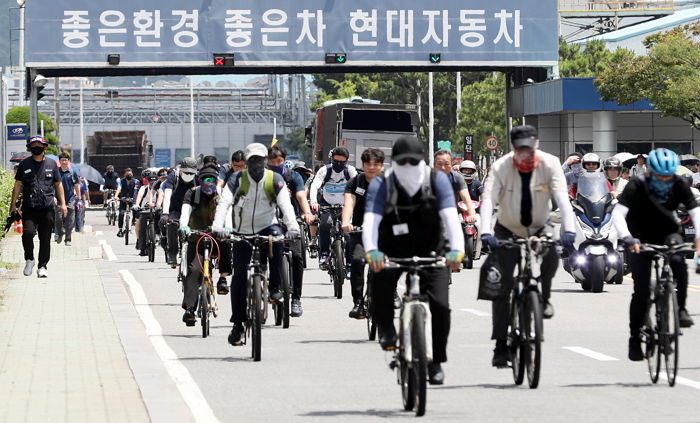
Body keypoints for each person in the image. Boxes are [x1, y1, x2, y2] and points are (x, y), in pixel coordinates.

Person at [363, 136, 465, 385]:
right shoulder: (382, 184)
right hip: (391, 248)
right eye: (402, 161)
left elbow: (451, 218)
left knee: (441, 306)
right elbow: (371, 222)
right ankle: (387, 329)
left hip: (432, 250)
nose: (408, 166)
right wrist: (372, 251)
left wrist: (457, 250)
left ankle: (437, 360)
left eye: (413, 161)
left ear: (423, 160)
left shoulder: (436, 180)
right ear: (394, 162)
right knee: (380, 283)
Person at [479, 125, 576, 368]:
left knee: (552, 255)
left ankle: (544, 298)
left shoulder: (550, 163)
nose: (525, 154)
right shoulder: (501, 166)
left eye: (529, 148)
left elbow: (563, 199)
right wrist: (486, 232)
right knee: (501, 288)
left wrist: (569, 230)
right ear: (513, 148)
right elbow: (488, 201)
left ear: (537, 145)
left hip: (539, 226)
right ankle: (500, 344)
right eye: (520, 149)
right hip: (506, 229)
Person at [612, 149, 698, 361]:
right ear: (650, 172)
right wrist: (628, 238)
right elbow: (618, 214)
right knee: (641, 290)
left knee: (679, 261)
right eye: (660, 176)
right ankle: (634, 339)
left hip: (669, 233)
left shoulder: (679, 183)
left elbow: (696, 212)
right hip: (639, 238)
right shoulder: (637, 185)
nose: (664, 180)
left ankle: (681, 309)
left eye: (668, 176)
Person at [212, 143, 300, 346]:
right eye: (252, 160)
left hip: (268, 226)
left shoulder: (274, 179)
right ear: (247, 162)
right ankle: (237, 325)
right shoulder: (237, 179)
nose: (257, 164)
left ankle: (275, 287)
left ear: (265, 161)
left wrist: (293, 227)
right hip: (242, 231)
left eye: (260, 160)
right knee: (240, 277)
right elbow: (224, 203)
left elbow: (285, 205)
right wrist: (219, 226)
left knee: (278, 240)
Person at [177, 165, 233, 326]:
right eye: (205, 180)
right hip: (196, 237)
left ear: (217, 181)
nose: (209, 183)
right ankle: (190, 309)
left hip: (217, 235)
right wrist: (184, 226)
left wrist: (227, 227)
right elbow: (185, 211)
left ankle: (223, 277)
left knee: (226, 242)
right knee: (193, 271)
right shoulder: (192, 193)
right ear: (200, 181)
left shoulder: (222, 194)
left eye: (212, 180)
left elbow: (228, 212)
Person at [9, 135, 67, 278]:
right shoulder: (24, 164)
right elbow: (18, 185)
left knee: (45, 238)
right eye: (33, 145)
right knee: (28, 233)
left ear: (45, 147)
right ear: (30, 147)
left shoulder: (52, 164)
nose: (36, 147)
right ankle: (29, 259)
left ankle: (42, 266)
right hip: (29, 207)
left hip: (47, 207)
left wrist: (63, 204)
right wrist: (13, 205)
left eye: (39, 145)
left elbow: (58, 184)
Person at [267, 146, 315, 317]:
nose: (275, 164)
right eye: (272, 161)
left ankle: (296, 299)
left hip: (290, 222)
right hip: (266, 223)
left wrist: (307, 212)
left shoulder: (292, 176)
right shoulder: (263, 176)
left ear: (284, 161)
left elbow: (301, 196)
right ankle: (263, 285)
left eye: (279, 161)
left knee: (297, 257)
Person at [342, 148, 384, 319]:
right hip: (360, 230)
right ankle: (358, 302)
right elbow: (349, 204)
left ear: (382, 166)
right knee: (358, 262)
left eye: (376, 164)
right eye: (368, 164)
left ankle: (393, 292)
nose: (372, 168)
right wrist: (346, 222)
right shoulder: (355, 182)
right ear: (363, 165)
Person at [309, 147, 358, 269]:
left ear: (347, 161)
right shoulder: (324, 170)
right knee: (325, 224)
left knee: (348, 233)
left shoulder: (350, 171)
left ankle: (350, 263)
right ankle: (324, 255)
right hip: (327, 205)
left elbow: (358, 186)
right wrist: (314, 202)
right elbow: (315, 186)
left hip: (345, 206)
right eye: (336, 161)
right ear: (331, 159)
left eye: (342, 162)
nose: (339, 164)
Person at [159, 158, 198, 268]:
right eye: (186, 172)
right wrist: (165, 213)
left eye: (191, 173)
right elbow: (167, 193)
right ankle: (172, 254)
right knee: (172, 224)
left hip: (192, 210)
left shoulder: (197, 179)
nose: (188, 175)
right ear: (181, 170)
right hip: (175, 209)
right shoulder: (173, 176)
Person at [434, 150, 477, 222]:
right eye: (439, 164)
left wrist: (472, 215)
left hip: (452, 215)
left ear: (451, 164)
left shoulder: (457, 178)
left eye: (446, 164)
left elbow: (466, 198)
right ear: (434, 165)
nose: (443, 167)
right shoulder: (427, 178)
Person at [54, 152, 81, 246]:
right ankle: (60, 232)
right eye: (62, 160)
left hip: (70, 199)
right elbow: (52, 185)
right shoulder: (56, 172)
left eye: (66, 160)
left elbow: (77, 185)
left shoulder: (72, 172)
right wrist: (53, 196)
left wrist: (79, 197)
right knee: (58, 218)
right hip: (58, 199)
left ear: (68, 161)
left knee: (70, 220)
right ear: (59, 161)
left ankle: (68, 239)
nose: (64, 162)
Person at [133, 169, 158, 256]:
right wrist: (137, 204)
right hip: (144, 211)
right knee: (142, 230)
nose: (152, 184)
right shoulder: (143, 188)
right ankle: (142, 249)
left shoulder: (159, 189)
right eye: (151, 183)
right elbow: (139, 196)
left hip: (155, 211)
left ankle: (159, 239)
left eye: (154, 183)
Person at [116, 168, 139, 237]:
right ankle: (120, 229)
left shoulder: (136, 181)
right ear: (125, 174)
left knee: (136, 209)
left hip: (133, 199)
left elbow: (137, 190)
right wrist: (116, 196)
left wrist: (136, 198)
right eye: (127, 174)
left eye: (130, 174)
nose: (129, 175)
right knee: (121, 214)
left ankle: (133, 221)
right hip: (124, 199)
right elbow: (119, 188)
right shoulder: (121, 181)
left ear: (132, 174)